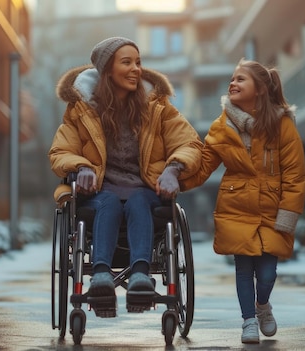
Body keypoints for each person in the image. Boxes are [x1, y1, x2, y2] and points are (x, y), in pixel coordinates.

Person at [48, 37, 202, 315]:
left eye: (139, 62)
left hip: (144, 192)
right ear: (107, 70)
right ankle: (101, 277)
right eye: (127, 62)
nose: (136, 69)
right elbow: (61, 150)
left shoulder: (158, 108)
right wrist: (81, 166)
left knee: (138, 200)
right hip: (98, 194)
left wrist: (173, 169)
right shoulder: (80, 110)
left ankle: (141, 277)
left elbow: (189, 143)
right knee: (107, 201)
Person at [181, 58, 305, 343]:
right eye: (232, 79)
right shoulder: (222, 126)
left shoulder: (282, 125)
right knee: (243, 269)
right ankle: (248, 320)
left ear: (260, 89)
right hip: (236, 207)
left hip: (271, 211)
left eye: (241, 79)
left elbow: (295, 176)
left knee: (267, 274)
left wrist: (287, 216)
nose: (232, 83)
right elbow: (203, 167)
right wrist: (174, 180)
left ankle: (263, 306)